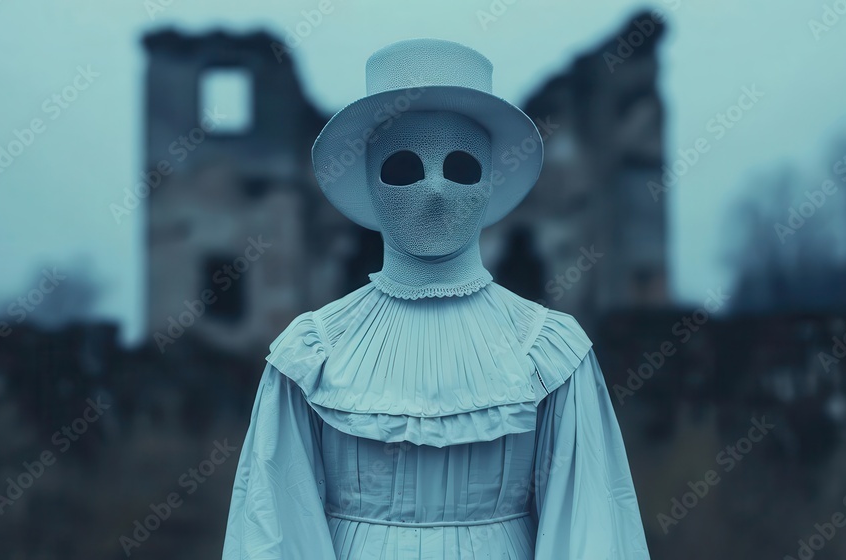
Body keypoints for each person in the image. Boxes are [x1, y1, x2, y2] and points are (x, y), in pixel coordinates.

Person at [221, 38, 650, 559]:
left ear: (491, 180)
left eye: (461, 167)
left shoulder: (552, 352)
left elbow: (591, 531)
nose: (435, 191)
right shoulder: (311, 353)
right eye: (403, 167)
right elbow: (275, 529)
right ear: (369, 182)